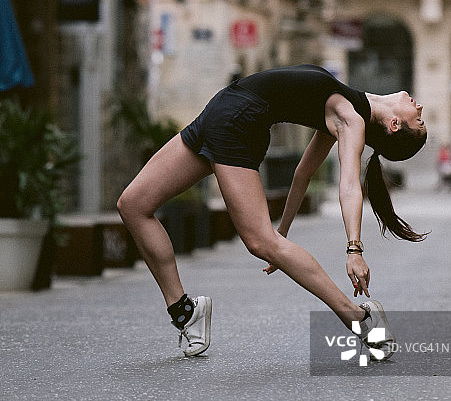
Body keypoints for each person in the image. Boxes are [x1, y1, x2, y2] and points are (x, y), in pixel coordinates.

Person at [117, 64, 427, 358]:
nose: (420, 109)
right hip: (219, 112)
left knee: (259, 243)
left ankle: (361, 319)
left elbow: (348, 186)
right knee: (133, 205)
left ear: (395, 124)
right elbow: (302, 175)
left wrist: (354, 249)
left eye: (419, 120)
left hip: (237, 118)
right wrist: (283, 234)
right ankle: (185, 311)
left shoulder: (351, 118)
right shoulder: (345, 104)